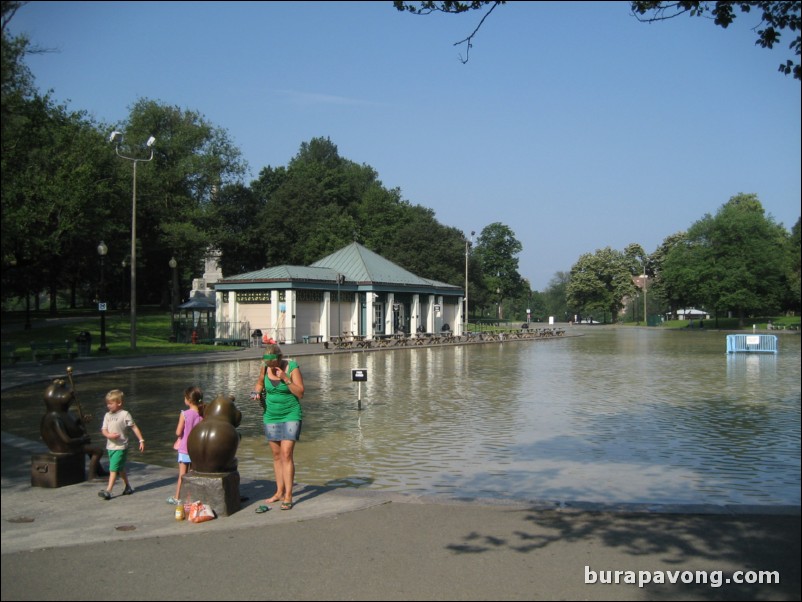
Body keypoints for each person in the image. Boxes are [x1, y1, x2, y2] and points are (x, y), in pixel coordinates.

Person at [251, 343, 305, 511]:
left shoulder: (292, 367)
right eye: (269, 365)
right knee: (276, 455)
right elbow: (259, 384)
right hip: (271, 415)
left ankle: (288, 495)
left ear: (280, 360)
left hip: (291, 415)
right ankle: (279, 491)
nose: (271, 368)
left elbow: (300, 393)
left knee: (286, 454)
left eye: (274, 364)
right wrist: (256, 392)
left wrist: (285, 378)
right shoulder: (264, 368)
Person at [98, 389, 145, 500]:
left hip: (121, 447)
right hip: (110, 446)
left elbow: (134, 427)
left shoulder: (125, 414)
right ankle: (127, 487)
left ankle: (108, 490)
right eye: (107, 403)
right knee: (120, 468)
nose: (108, 406)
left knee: (113, 468)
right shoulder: (107, 415)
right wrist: (108, 435)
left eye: (111, 403)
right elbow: (103, 430)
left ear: (119, 403)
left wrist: (141, 440)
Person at [166, 386, 204, 505]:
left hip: (184, 449)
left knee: (182, 475)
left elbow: (178, 432)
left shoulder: (185, 414)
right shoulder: (202, 414)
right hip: (196, 449)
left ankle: (177, 497)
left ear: (188, 399)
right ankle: (192, 497)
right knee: (193, 474)